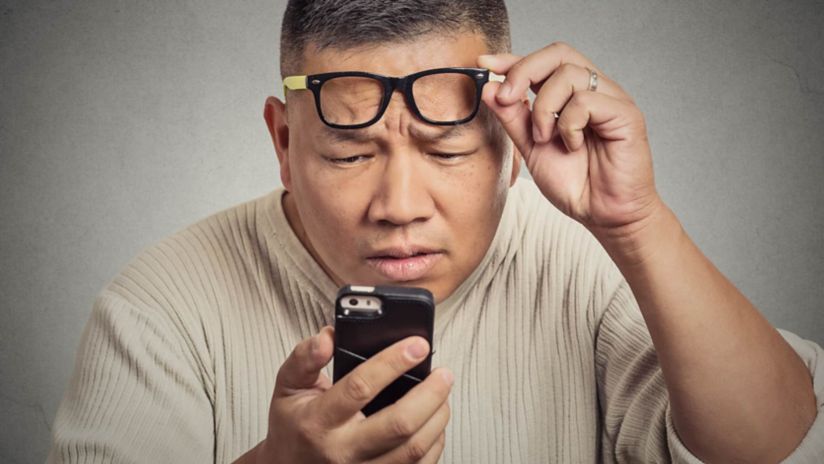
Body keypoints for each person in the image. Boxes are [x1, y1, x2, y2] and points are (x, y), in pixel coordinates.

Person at [48, 1, 823, 463]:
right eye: (350, 152)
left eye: (447, 149)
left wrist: (639, 223)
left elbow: (782, 447)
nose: (399, 204)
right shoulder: (159, 308)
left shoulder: (593, 267)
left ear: (511, 147)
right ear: (284, 143)